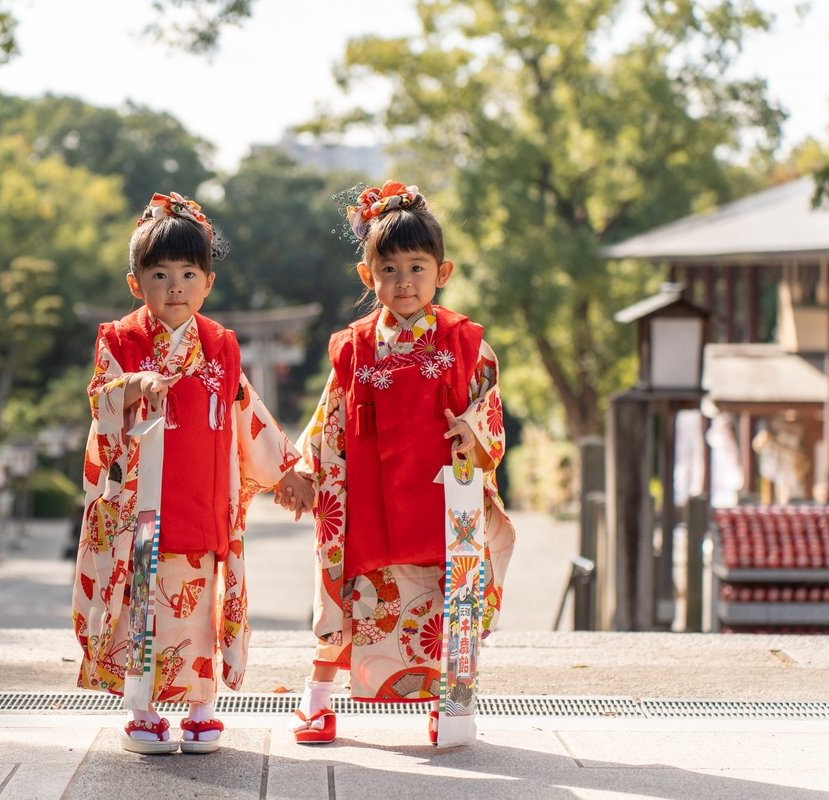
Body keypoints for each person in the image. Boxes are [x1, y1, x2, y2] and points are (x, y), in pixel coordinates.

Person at [276, 180, 517, 745]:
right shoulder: (353, 346)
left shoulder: (465, 343)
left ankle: (449, 699)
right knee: (343, 590)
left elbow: (492, 407)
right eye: (389, 268)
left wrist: (474, 428)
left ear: (443, 271)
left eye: (417, 266)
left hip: (440, 493)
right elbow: (329, 415)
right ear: (368, 276)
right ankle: (316, 698)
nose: (403, 281)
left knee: (446, 598)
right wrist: (308, 472)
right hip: (364, 491)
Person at [72, 191, 312, 755]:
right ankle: (143, 708)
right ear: (137, 283)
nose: (174, 286)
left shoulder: (221, 346)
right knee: (142, 603)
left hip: (203, 499)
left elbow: (245, 411)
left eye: (188, 272)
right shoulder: (120, 340)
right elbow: (100, 398)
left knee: (200, 606)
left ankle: (202, 706)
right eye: (160, 274)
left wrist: (286, 474)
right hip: (140, 504)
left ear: (207, 282)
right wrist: (132, 384)